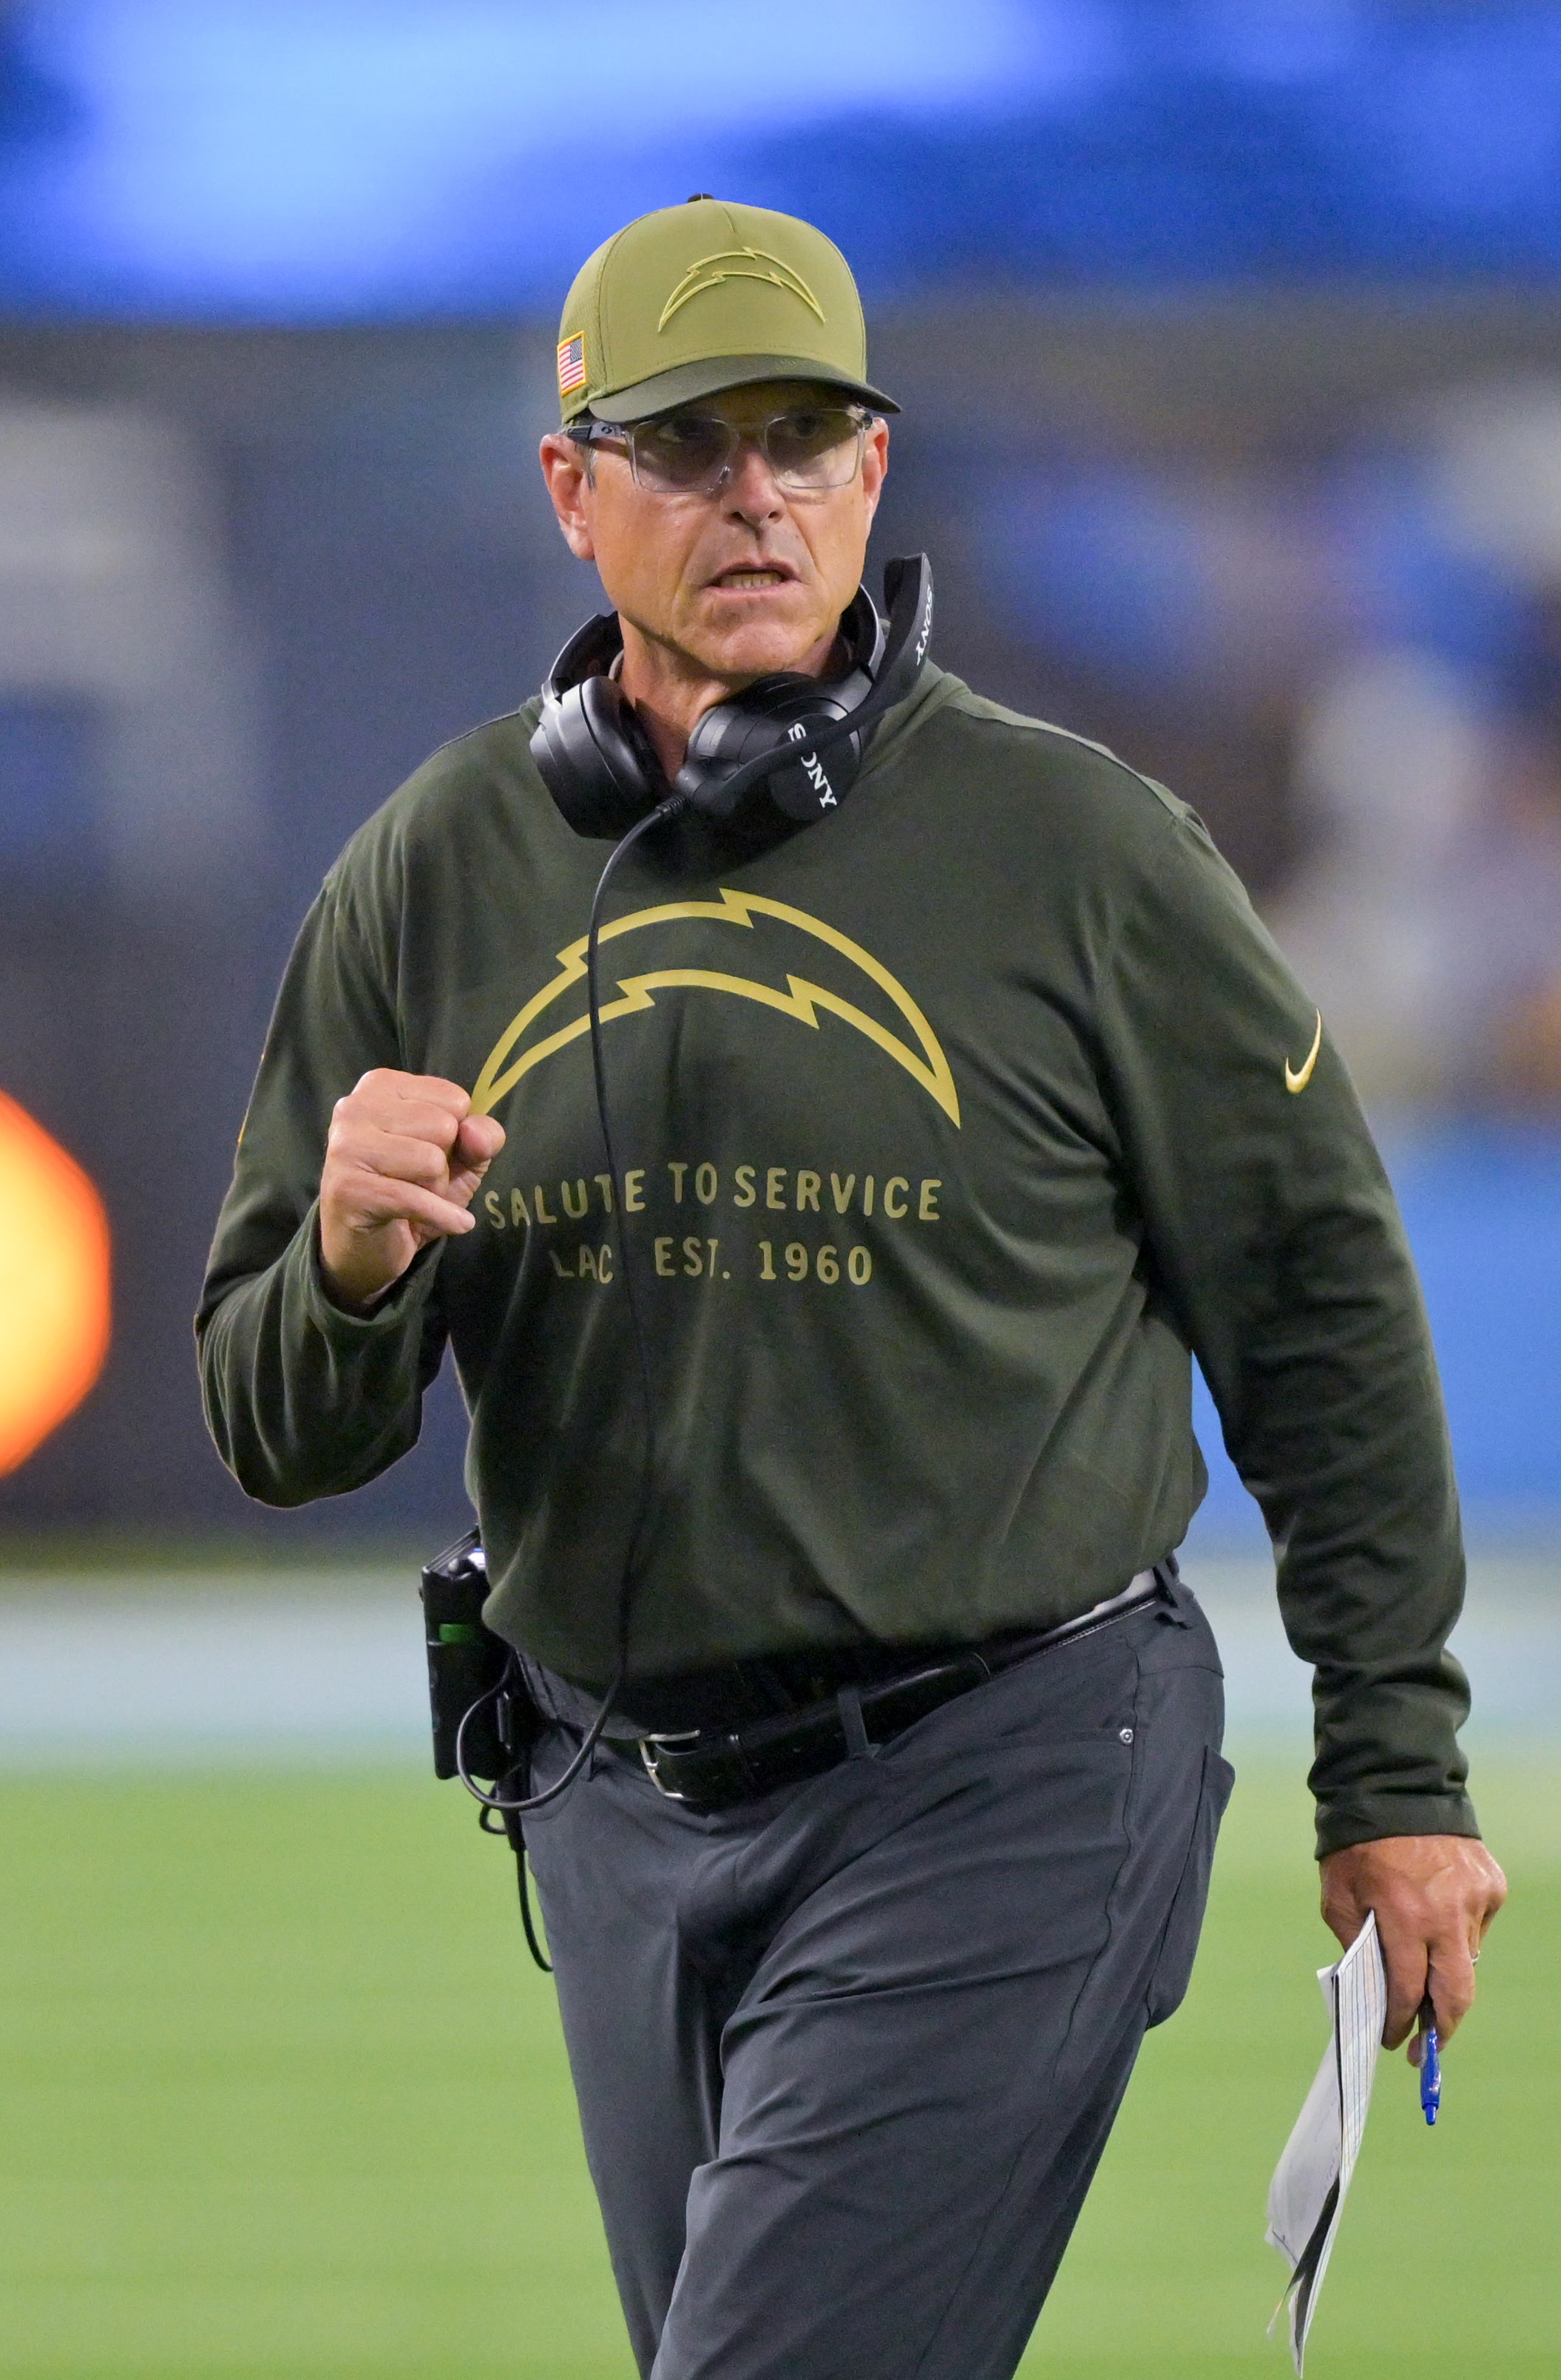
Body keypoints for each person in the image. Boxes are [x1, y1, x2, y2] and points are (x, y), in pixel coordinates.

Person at [197, 198, 1506, 2380]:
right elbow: (273, 1423)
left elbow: (1321, 1306)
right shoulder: (433, 871)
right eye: (695, 444)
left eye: (808, 438)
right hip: (618, 1804)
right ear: (571, 488)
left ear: (874, 475)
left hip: (1009, 1765)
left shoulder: (1080, 853)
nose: (759, 495)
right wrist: (340, 1267)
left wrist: (1399, 1769)